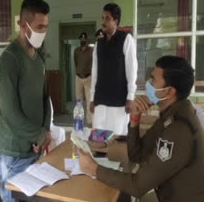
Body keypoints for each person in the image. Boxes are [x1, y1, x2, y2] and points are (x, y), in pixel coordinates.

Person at [80, 56, 204, 201]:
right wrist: (134, 119)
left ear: (169, 92)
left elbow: (137, 186)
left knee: (117, 196)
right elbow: (137, 156)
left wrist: (94, 169)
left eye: (153, 80)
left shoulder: (179, 129)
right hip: (165, 194)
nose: (148, 84)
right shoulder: (170, 114)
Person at [0, 0, 52, 202]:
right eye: (38, 27)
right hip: (15, 152)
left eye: (45, 27)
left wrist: (44, 132)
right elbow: (10, 112)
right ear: (23, 24)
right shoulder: (10, 59)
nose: (42, 32)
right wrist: (37, 135)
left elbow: (45, 99)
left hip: (34, 148)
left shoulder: (38, 59)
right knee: (13, 198)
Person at [90, 3, 138, 135]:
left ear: (115, 21)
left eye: (107, 18)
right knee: (98, 137)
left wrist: (130, 96)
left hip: (119, 100)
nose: (103, 22)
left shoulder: (126, 39)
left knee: (116, 138)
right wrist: (92, 98)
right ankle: (97, 156)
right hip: (100, 99)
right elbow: (95, 73)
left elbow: (132, 69)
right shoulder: (98, 44)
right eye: (102, 18)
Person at [74, 32, 93, 125]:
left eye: (84, 39)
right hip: (78, 78)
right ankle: (79, 120)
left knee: (89, 100)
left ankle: (90, 121)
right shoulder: (76, 50)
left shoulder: (91, 50)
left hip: (88, 78)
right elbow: (76, 63)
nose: (82, 40)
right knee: (78, 101)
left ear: (86, 40)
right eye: (81, 39)